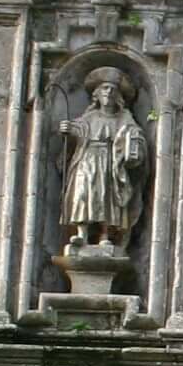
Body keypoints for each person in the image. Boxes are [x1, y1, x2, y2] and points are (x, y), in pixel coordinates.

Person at [60, 67, 149, 251]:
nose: (108, 92)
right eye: (104, 88)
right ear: (97, 95)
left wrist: (132, 143)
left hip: (110, 163)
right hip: (87, 160)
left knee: (107, 197)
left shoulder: (124, 118)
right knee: (83, 194)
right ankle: (82, 233)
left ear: (118, 96)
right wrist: (68, 130)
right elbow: (77, 132)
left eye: (112, 89)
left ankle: (105, 235)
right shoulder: (88, 117)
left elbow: (135, 136)